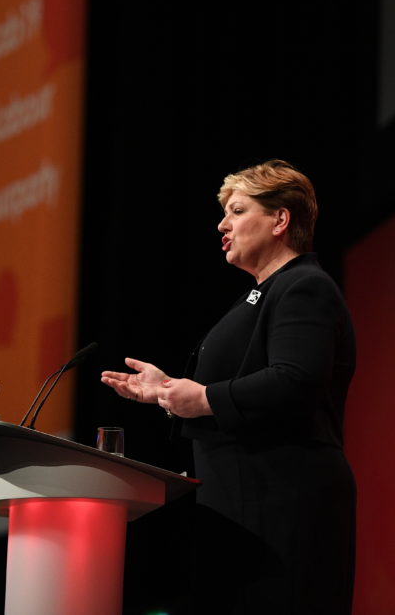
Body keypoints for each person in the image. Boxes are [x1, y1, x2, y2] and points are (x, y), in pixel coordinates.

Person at [101, 159, 356, 614]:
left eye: (237, 211)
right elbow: (240, 382)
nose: (222, 224)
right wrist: (168, 391)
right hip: (242, 508)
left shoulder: (302, 286)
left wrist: (202, 398)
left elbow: (296, 381)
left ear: (281, 219)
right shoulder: (260, 295)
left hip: (283, 507)